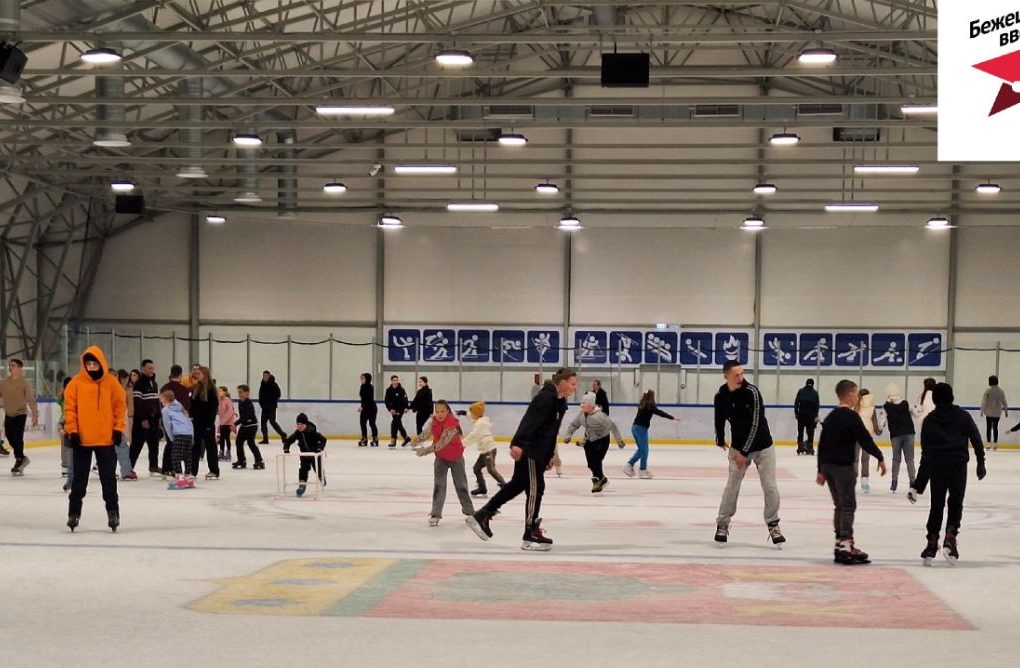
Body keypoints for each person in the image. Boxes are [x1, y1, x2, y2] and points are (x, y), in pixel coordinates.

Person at [470, 367, 576, 551]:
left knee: (517, 485)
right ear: (562, 382)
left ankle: (483, 514)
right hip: (531, 451)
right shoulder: (545, 399)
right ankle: (530, 531)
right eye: (572, 384)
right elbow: (529, 421)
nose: (575, 388)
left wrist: (551, 454)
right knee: (536, 488)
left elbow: (551, 432)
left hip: (540, 452)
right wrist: (518, 443)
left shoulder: (559, 402)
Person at [908, 383, 986, 565]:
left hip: (937, 466)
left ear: (935, 399)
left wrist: (918, 485)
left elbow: (926, 455)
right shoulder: (963, 416)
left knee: (937, 504)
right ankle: (950, 536)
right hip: (958, 465)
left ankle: (932, 541)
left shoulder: (930, 421)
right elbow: (976, 438)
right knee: (956, 502)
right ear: (951, 397)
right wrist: (981, 462)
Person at [815, 379, 887, 565]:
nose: (857, 398)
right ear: (849, 395)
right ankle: (846, 544)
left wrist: (820, 470)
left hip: (828, 466)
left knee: (839, 505)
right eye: (856, 394)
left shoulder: (831, 417)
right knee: (847, 505)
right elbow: (865, 439)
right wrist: (879, 457)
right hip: (843, 467)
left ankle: (839, 544)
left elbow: (822, 444)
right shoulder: (851, 417)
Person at [713, 361, 783, 546]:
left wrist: (744, 452)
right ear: (726, 376)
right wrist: (720, 439)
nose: (740, 378)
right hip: (738, 448)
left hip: (763, 447)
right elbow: (719, 418)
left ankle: (773, 524)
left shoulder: (752, 392)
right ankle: (722, 523)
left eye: (742, 374)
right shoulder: (721, 396)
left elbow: (756, 423)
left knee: (770, 487)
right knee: (732, 486)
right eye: (736, 375)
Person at [64, 346, 126, 532]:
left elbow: (119, 407)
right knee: (79, 481)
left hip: (106, 440)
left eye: (94, 363)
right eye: (88, 363)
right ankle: (74, 513)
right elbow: (70, 409)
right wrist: (73, 431)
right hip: (82, 440)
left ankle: (113, 512)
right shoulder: (75, 383)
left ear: (101, 363)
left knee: (108, 480)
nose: (91, 367)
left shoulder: (112, 383)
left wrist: (118, 429)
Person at [412, 400, 476, 527]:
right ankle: (435, 514)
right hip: (440, 458)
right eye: (437, 411)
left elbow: (442, 443)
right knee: (439, 486)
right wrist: (414, 442)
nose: (439, 414)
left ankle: (470, 512)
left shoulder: (452, 424)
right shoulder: (434, 421)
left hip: (456, 458)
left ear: (448, 411)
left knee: (461, 486)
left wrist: (425, 451)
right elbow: (425, 434)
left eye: (442, 411)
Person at [564, 391, 625, 493]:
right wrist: (568, 435)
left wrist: (619, 440)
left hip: (602, 440)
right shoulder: (581, 415)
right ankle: (602, 479)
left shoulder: (599, 416)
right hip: (589, 440)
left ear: (591, 405)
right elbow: (574, 425)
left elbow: (612, 426)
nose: (582, 405)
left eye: (584, 403)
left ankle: (597, 482)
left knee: (596, 461)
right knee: (591, 464)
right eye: (581, 403)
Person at [625, 390, 677, 479]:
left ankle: (629, 465)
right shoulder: (650, 405)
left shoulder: (642, 404)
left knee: (641, 450)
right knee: (644, 450)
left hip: (634, 428)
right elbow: (659, 412)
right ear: (651, 396)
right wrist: (672, 417)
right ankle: (642, 470)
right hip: (641, 429)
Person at [1, 359, 40, 475]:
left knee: (17, 438)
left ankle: (19, 459)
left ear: (19, 368)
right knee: (9, 436)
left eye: (13, 365)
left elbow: (30, 400)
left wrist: (35, 414)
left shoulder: (24, 383)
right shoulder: (3, 383)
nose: (10, 367)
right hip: (8, 413)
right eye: (10, 365)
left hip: (20, 413)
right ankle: (22, 458)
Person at [463, 401, 505, 497]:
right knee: (476, 468)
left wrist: (462, 444)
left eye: (472, 413)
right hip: (485, 450)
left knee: (491, 469)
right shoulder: (480, 420)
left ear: (476, 414)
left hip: (489, 449)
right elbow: (472, 418)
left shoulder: (480, 424)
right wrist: (465, 413)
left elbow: (473, 436)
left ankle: (504, 485)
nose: (470, 415)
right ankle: (482, 488)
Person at [129, 359, 162, 477]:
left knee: (154, 444)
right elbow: (137, 403)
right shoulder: (139, 383)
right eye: (149, 368)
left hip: (154, 420)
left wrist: (159, 417)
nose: (151, 370)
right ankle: (128, 468)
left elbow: (156, 401)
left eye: (152, 368)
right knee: (136, 446)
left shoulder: (154, 383)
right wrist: (143, 419)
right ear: (143, 369)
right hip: (142, 420)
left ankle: (153, 466)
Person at [881, 383, 917, 492]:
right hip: (909, 433)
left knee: (896, 459)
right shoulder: (906, 403)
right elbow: (915, 412)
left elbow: (882, 422)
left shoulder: (886, 406)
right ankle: (913, 481)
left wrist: (880, 427)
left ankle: (894, 481)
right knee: (910, 459)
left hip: (895, 435)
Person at [282, 413, 327, 497]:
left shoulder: (312, 432)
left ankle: (322, 477)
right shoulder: (298, 433)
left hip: (315, 455)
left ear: (306, 424)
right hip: (304, 455)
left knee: (318, 469)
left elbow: (323, 439)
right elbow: (289, 440)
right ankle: (302, 486)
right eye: (298, 424)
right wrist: (286, 448)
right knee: (303, 469)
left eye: (301, 424)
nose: (299, 426)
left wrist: (320, 448)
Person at [190, 365, 220, 480]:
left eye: (199, 373)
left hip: (207, 424)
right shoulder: (196, 388)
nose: (196, 375)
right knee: (195, 447)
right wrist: (190, 414)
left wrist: (209, 424)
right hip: (196, 422)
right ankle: (192, 470)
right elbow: (193, 405)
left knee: (210, 447)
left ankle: (214, 471)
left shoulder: (211, 389)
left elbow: (213, 408)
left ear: (205, 375)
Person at [160, 388, 195, 480]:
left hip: (179, 433)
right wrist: (192, 435)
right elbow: (188, 420)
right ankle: (188, 473)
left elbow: (167, 425)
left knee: (176, 455)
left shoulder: (165, 410)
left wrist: (171, 438)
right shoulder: (180, 407)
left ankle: (179, 473)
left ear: (165, 398)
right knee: (188, 454)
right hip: (188, 432)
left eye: (161, 398)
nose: (160, 400)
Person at [855, 388, 881, 494]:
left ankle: (852, 480)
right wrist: (880, 429)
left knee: (854, 459)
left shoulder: (855, 407)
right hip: (867, 436)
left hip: (856, 435)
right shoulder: (871, 408)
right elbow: (875, 426)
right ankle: (864, 481)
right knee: (865, 459)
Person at [232, 384, 264, 470]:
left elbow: (246, 416)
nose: (239, 394)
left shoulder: (248, 403)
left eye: (241, 392)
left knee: (251, 443)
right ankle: (241, 460)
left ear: (247, 393)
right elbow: (242, 416)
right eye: (238, 392)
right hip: (244, 425)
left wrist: (235, 423)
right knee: (239, 442)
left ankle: (259, 461)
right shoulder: (240, 402)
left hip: (251, 426)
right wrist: (236, 423)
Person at [115, 369, 137, 481]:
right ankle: (126, 471)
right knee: (121, 446)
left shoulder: (125, 388)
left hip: (119, 420)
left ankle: (126, 470)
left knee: (119, 446)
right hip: (117, 422)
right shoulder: (117, 390)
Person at [257, 370, 287, 444]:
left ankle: (283, 434)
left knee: (272, 422)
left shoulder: (274, 384)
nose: (264, 377)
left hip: (272, 407)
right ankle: (265, 439)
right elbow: (260, 395)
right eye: (263, 376)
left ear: (269, 376)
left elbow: (278, 394)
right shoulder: (262, 384)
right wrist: (261, 404)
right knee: (263, 423)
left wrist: (271, 401)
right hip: (264, 408)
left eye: (266, 376)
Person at [980, 375, 1008, 449]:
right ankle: (995, 444)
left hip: (989, 412)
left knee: (989, 427)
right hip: (997, 412)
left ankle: (988, 443)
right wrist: (1006, 411)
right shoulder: (1001, 391)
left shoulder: (988, 391)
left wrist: (982, 411)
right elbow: (1004, 402)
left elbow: (984, 401)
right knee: (995, 427)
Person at [794, 378, 819, 455]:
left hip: (801, 414)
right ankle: (810, 446)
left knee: (800, 431)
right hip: (811, 415)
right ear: (813, 384)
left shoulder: (801, 391)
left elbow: (796, 402)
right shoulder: (815, 393)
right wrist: (815, 416)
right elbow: (817, 406)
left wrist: (796, 412)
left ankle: (800, 446)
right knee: (810, 431)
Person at [384, 374, 411, 448]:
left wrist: (406, 407)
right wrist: (390, 409)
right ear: (391, 381)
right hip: (393, 410)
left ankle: (394, 440)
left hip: (400, 409)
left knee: (395, 423)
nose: (396, 382)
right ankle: (406, 438)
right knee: (396, 423)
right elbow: (386, 401)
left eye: (397, 380)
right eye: (394, 380)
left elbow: (405, 399)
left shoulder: (401, 390)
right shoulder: (388, 390)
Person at [358, 372, 379, 447]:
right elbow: (363, 399)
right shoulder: (362, 386)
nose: (361, 380)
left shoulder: (370, 387)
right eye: (361, 378)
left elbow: (368, 399)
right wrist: (362, 406)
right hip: (365, 408)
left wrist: (362, 407)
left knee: (372, 423)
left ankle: (375, 439)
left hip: (371, 408)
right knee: (362, 423)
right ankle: (364, 438)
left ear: (367, 379)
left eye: (363, 378)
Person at [217, 386, 237, 461]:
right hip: (222, 422)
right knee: (221, 438)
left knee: (226, 437)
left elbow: (230, 412)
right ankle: (221, 452)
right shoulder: (219, 400)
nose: (219, 393)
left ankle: (228, 453)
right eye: (218, 391)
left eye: (220, 391)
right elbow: (220, 411)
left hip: (228, 422)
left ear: (225, 392)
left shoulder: (228, 400)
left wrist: (224, 421)